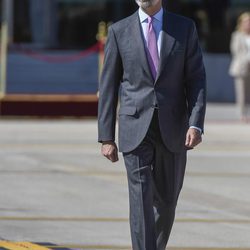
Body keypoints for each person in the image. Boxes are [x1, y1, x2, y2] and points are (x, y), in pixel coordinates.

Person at [98, 0, 206, 249]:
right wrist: (106, 136)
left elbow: (196, 78)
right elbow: (108, 87)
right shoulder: (119, 31)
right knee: (141, 198)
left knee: (167, 203)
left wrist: (196, 123)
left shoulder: (184, 28)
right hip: (134, 125)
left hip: (174, 127)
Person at [229, 12, 250, 121]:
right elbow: (235, 51)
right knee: (241, 93)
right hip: (241, 68)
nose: (248, 24)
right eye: (246, 22)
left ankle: (248, 112)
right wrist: (247, 58)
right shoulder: (237, 35)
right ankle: (242, 114)